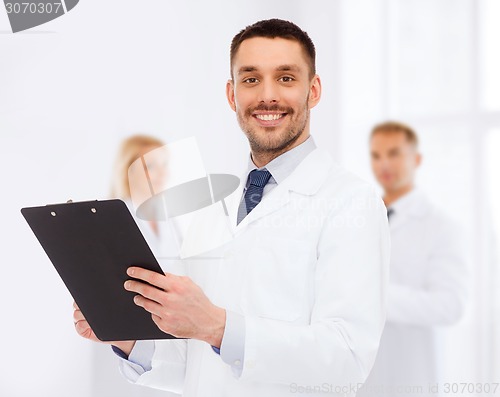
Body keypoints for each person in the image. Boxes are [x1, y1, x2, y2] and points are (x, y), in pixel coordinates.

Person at [73, 19, 390, 397]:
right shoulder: (210, 205)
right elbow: (194, 365)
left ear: (314, 90)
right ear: (232, 94)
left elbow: (347, 360)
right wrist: (126, 339)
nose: (267, 96)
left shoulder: (351, 201)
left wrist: (218, 327)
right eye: (251, 79)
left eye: (286, 78)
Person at [358, 121, 469, 397]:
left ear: (416, 159)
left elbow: (450, 305)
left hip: (409, 376)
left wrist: (375, 298)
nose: (384, 164)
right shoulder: (361, 218)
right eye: (376, 155)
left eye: (394, 153)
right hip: (359, 376)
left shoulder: (440, 226)